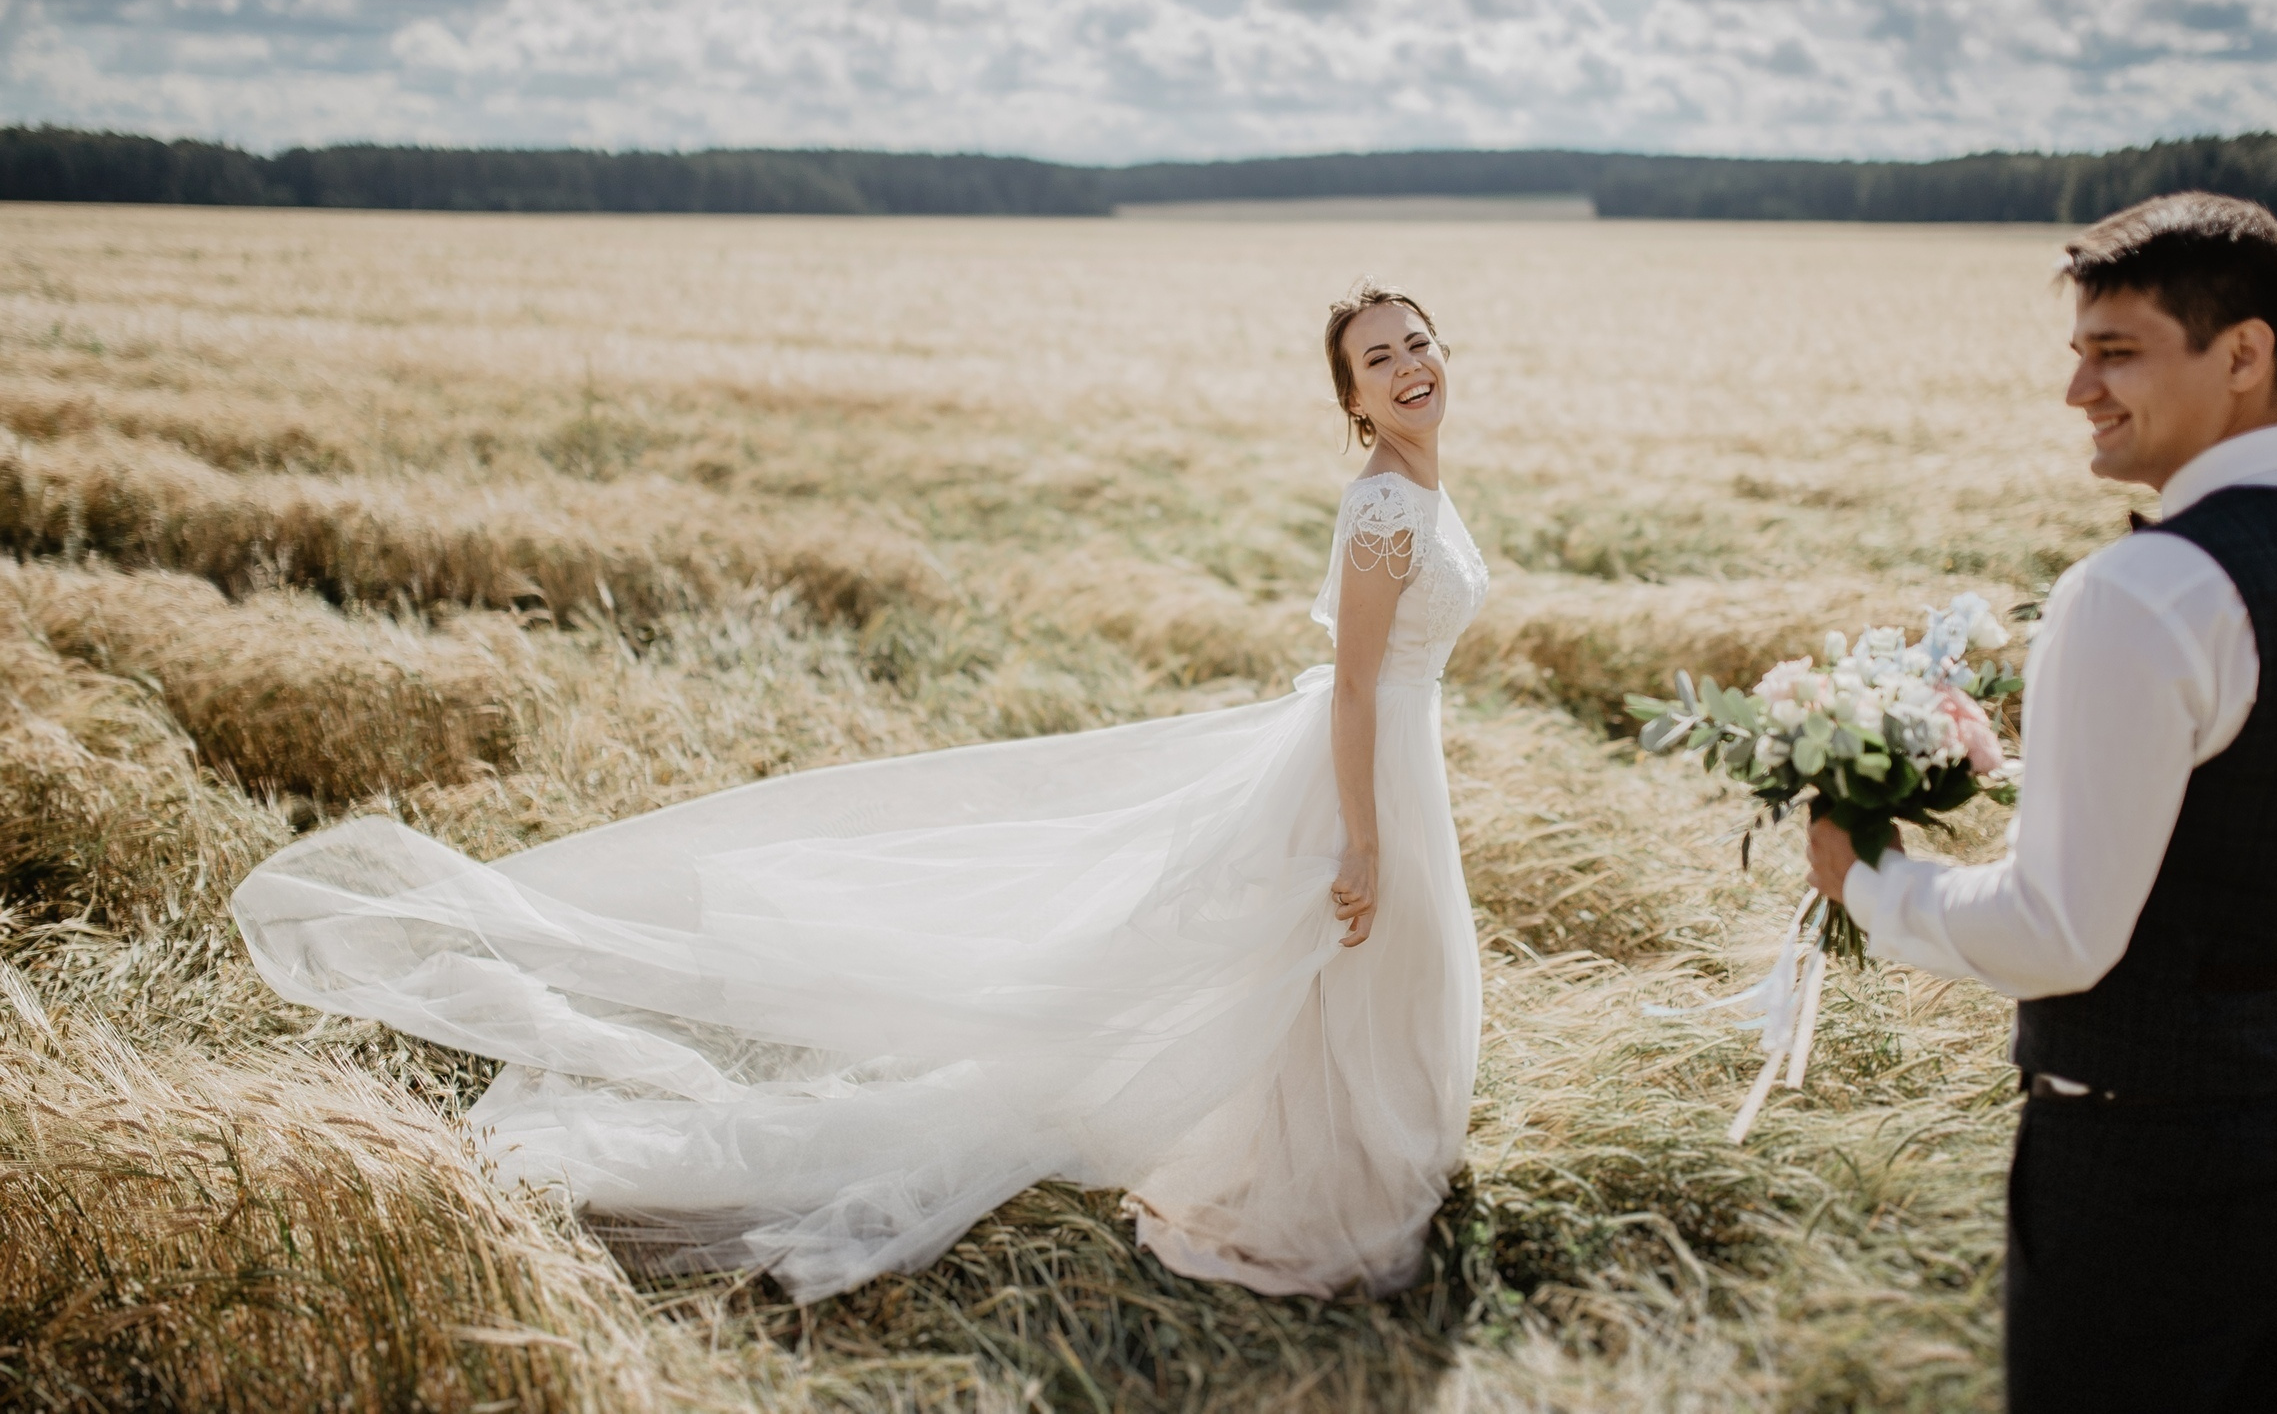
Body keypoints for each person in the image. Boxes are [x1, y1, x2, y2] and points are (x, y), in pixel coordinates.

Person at [231, 285, 1487, 1303]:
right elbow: (1356, 687)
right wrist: (1362, 839)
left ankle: (1343, 1166)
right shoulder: (1383, 500)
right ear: (1351, 398)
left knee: (1342, 980)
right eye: (1380, 358)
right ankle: (1323, 1192)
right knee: (1332, 957)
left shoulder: (1420, 480)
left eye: (1417, 342)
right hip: (1359, 767)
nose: (1409, 364)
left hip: (1392, 758)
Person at [1807, 193, 2277, 1413]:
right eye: (2077, 352)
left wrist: (1864, 883)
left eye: (2115, 351)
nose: (2076, 390)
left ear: (2243, 355)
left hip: (2136, 1168)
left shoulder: (2137, 596)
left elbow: (2058, 934)